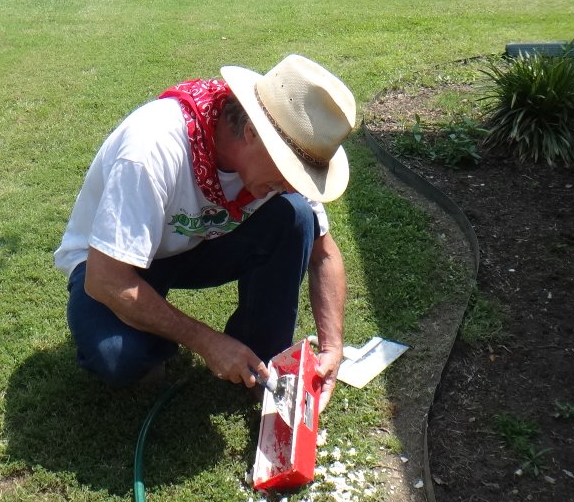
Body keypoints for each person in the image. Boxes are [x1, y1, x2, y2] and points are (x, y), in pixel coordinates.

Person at [54, 54, 356, 411]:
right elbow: (105, 280)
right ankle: (154, 343)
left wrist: (332, 347)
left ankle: (260, 359)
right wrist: (206, 341)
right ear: (251, 133)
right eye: (290, 172)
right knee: (120, 357)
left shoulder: (281, 158)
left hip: (194, 245)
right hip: (109, 262)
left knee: (296, 216)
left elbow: (324, 254)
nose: (292, 185)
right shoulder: (151, 149)